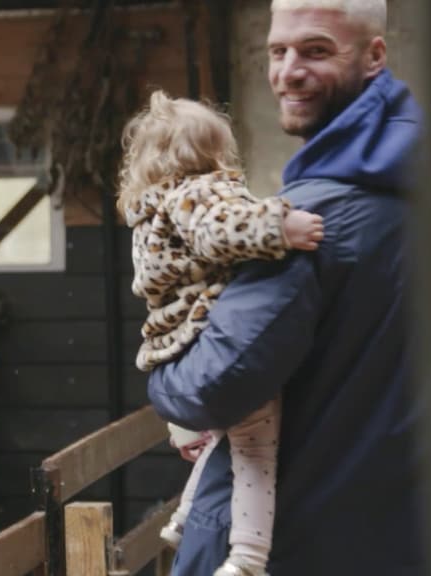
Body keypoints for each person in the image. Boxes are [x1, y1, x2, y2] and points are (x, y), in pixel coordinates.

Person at [146, 0, 423, 574]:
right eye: (278, 51)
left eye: (316, 50)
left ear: (375, 56)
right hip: (397, 531)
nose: (288, 71)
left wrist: (160, 375)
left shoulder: (310, 223)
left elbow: (217, 386)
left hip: (291, 538)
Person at [118, 90, 324, 576]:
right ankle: (248, 557)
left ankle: (185, 516)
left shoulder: (150, 211)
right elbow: (219, 230)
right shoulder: (199, 192)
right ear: (211, 152)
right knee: (256, 445)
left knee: (223, 439)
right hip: (210, 335)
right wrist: (281, 226)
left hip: (174, 346)